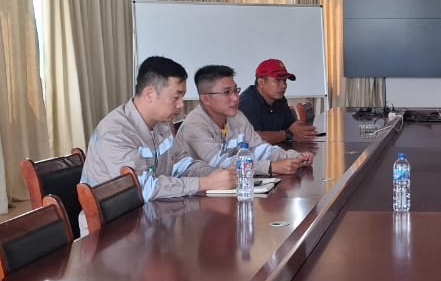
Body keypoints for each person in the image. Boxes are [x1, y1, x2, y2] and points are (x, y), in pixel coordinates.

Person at [82, 56, 235, 203]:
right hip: (118, 219)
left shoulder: (162, 124)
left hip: (153, 210)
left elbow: (181, 163)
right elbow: (143, 188)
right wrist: (206, 183)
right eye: (176, 97)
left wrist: (214, 174)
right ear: (149, 94)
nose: (181, 104)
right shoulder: (115, 132)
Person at [179, 65, 314, 175]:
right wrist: (270, 167)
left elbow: (258, 148)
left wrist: (293, 156)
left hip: (232, 185)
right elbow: (221, 163)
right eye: (227, 92)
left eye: (235, 90)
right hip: (194, 196)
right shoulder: (195, 125)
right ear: (206, 99)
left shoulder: (237, 116)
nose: (235, 98)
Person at [238, 59, 318, 146]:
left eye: (285, 81)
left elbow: (291, 126)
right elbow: (252, 139)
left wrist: (302, 131)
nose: (283, 86)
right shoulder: (247, 103)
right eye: (278, 80)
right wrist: (288, 134)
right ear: (261, 82)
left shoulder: (279, 99)